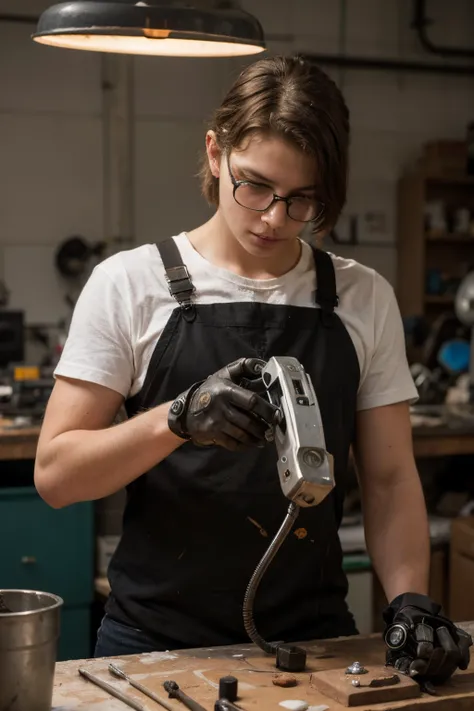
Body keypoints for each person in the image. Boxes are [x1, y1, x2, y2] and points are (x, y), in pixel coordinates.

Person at [35, 55, 471, 682]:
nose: (273, 218)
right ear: (215, 153)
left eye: (302, 200)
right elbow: (55, 476)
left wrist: (407, 599)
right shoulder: (130, 283)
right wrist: (178, 418)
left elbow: (390, 478)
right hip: (153, 640)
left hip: (316, 640)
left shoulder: (361, 295)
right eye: (256, 186)